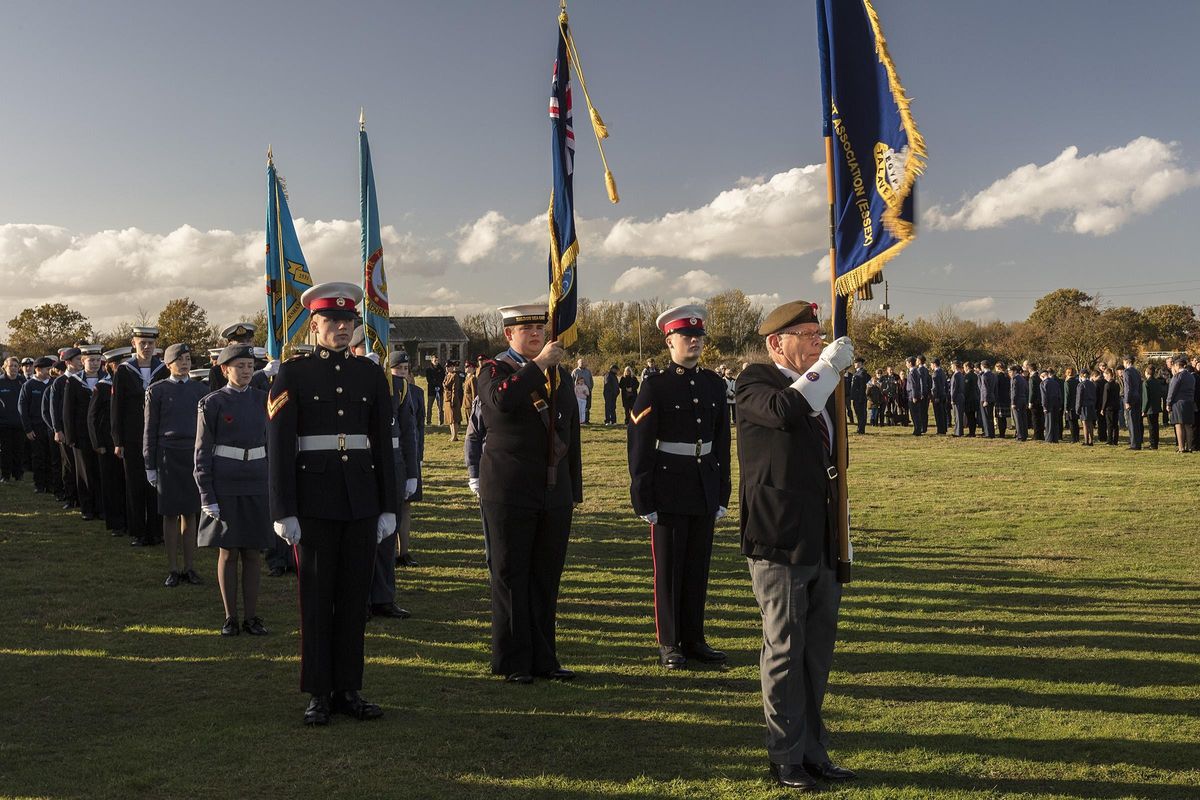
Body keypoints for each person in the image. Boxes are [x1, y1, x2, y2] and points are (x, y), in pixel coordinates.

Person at [734, 300, 856, 792]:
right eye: (805, 334)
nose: (816, 340)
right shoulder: (755, 382)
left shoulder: (823, 390)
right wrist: (827, 367)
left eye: (817, 333)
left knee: (816, 653)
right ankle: (784, 756)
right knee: (785, 650)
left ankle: (812, 750)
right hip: (779, 537)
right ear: (775, 344)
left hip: (822, 537)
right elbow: (785, 411)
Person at [268, 281, 396, 726]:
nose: (342, 328)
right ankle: (318, 693)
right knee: (317, 598)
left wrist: (388, 506)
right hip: (314, 502)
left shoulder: (370, 374)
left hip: (361, 500)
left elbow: (383, 445)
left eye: (348, 321)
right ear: (314, 325)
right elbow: (280, 444)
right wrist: (283, 509)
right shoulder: (294, 374)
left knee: (354, 596)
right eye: (332, 322)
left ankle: (349, 688)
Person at [476, 303, 582, 684]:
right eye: (528, 329)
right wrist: (538, 365)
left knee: (544, 577)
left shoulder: (560, 375)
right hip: (507, 490)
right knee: (510, 575)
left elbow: (569, 431)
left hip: (553, 492)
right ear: (509, 335)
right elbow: (503, 400)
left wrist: (573, 488)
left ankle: (544, 658)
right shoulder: (492, 370)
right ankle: (512, 659)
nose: (536, 334)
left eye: (540, 327)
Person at [627, 305, 732, 670]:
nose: (694, 342)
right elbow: (639, 445)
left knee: (697, 568)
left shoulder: (714, 385)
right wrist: (643, 497)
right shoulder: (655, 386)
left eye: (699, 336)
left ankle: (694, 638)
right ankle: (670, 642)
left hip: (703, 484)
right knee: (669, 570)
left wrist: (723, 492)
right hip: (668, 486)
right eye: (687, 336)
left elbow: (722, 442)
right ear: (669, 341)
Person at [194, 344, 273, 636]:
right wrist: (207, 494)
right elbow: (202, 452)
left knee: (253, 552)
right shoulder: (212, 402)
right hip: (225, 483)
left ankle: (252, 617)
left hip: (256, 480)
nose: (246, 371)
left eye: (250, 367)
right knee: (228, 551)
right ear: (225, 369)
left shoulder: (264, 400)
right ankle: (230, 617)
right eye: (239, 366)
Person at [145, 343, 208, 587]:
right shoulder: (157, 390)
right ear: (169, 364)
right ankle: (172, 568)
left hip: (192, 454)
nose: (184, 363)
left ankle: (189, 567)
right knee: (170, 513)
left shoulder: (201, 389)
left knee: (191, 513)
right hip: (168, 456)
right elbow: (149, 430)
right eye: (179, 359)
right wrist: (150, 464)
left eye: (188, 358)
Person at [367, 350, 417, 621]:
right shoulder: (352, 380)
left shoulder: (398, 385)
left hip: (393, 466)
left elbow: (408, 431)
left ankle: (384, 597)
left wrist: (411, 473)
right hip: (361, 464)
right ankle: (361, 597)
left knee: (387, 535)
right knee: (362, 537)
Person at [112, 326, 168, 546]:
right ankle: (137, 531)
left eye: (150, 344)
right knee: (134, 485)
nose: (146, 347)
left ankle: (156, 531)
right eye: (142, 343)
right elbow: (116, 408)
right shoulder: (124, 371)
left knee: (156, 485)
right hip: (132, 438)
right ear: (133, 343)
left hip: (157, 437)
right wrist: (118, 440)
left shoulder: (162, 370)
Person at [88, 347, 129, 536]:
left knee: (126, 483)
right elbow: (93, 417)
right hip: (106, 443)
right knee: (111, 484)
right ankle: (116, 523)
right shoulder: (102, 386)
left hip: (126, 442)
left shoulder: (129, 384)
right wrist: (98, 444)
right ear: (111, 366)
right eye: (119, 365)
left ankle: (130, 520)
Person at [62, 344, 105, 521]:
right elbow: (68, 411)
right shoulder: (74, 381)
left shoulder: (107, 379)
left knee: (101, 472)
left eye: (97, 360)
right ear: (83, 361)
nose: (94, 364)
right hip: (81, 435)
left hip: (102, 435)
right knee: (84, 473)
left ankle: (102, 507)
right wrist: (70, 436)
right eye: (90, 360)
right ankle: (87, 508)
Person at [393, 353, 425, 569]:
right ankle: (391, 551)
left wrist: (419, 457)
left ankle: (404, 551)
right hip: (395, 454)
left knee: (406, 506)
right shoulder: (389, 390)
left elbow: (419, 428)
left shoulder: (416, 392)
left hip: (410, 456)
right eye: (399, 368)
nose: (403, 372)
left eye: (406, 368)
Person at [18, 357, 55, 494]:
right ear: (38, 369)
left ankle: (51, 484)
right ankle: (39, 484)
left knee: (51, 456)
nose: (49, 372)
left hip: (51, 427)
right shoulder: (29, 386)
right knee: (38, 456)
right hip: (36, 428)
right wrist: (28, 429)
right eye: (47, 369)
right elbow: (22, 408)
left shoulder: (53, 383)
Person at [206, 322, 257, 391]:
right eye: (240, 342)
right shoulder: (218, 371)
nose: (245, 344)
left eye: (248, 341)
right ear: (230, 345)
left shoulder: (262, 366)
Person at [0, 357, 25, 484]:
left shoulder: (22, 381)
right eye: (11, 366)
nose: (14, 368)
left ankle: (18, 474)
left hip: (20, 423)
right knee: (6, 451)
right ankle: (5, 475)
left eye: (16, 366)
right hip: (4, 424)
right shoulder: (0, 381)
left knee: (19, 450)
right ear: (5, 367)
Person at [1166, 355, 1195, 453]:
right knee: (1188, 426)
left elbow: (1172, 391)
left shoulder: (1178, 376)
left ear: (1177, 366)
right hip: (1189, 402)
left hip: (1179, 403)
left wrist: (1168, 403)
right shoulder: (1191, 376)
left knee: (1178, 425)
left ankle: (1181, 447)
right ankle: (1190, 447)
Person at [1121, 356, 1144, 450]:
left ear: (1126, 361)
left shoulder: (1127, 372)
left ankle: (1134, 444)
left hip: (1131, 399)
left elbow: (1127, 388)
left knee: (1131, 422)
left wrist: (1127, 401)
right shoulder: (1137, 372)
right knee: (1137, 422)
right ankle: (1137, 442)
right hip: (1138, 398)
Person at [1143, 365, 1166, 450]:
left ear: (1147, 373)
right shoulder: (1157, 382)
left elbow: (1146, 398)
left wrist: (1143, 409)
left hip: (1150, 408)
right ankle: (1155, 442)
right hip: (1156, 406)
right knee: (1156, 426)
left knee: (1151, 427)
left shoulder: (1146, 383)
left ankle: (1152, 444)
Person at [443, 361, 465, 442]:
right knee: (449, 419)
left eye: (448, 366)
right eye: (446, 367)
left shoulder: (455, 375)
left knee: (454, 419)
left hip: (452, 399)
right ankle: (452, 435)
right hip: (446, 399)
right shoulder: (447, 375)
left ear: (452, 367)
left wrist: (453, 400)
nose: (447, 368)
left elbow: (454, 389)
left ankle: (455, 436)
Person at [1100, 366, 1121, 446]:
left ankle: (1109, 440)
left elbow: (1105, 398)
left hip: (1109, 407)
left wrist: (1102, 408)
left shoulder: (1107, 385)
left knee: (1109, 424)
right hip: (1116, 406)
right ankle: (1115, 440)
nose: (1104, 377)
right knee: (1115, 424)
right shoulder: (1116, 384)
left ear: (1108, 374)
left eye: (1105, 375)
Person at [1041, 367, 1064, 443]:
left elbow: (1044, 396)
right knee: (1055, 422)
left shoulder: (1043, 383)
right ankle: (1055, 438)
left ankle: (1049, 438)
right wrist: (1060, 404)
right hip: (1056, 404)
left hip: (1049, 405)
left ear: (1042, 376)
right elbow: (1059, 394)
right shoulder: (1055, 382)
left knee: (1048, 422)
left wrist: (1044, 407)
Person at [1076, 369, 1097, 446]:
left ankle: (1086, 441)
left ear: (1081, 376)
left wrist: (1077, 408)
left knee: (1085, 424)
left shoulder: (1081, 385)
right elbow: (1095, 396)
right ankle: (1091, 440)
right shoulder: (1092, 384)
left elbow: (1079, 398)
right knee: (1090, 423)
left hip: (1084, 405)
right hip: (1091, 405)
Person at [570, 358, 594, 424]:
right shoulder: (575, 371)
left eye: (584, 362)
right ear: (578, 363)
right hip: (578, 393)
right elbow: (571, 381)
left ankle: (586, 420)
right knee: (578, 407)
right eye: (581, 363)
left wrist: (590, 388)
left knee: (588, 406)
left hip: (587, 392)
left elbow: (591, 381)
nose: (583, 364)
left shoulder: (588, 371)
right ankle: (578, 420)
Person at [1009, 364, 1029, 441]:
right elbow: (1027, 390)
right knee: (1023, 418)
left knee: (1018, 419)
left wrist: (1013, 403)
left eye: (1010, 372)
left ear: (1014, 371)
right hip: (1023, 400)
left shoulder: (1014, 379)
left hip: (1017, 401)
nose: (1009, 373)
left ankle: (1020, 435)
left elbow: (1014, 392)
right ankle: (1025, 434)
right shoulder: (1022, 378)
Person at [424, 354, 445, 425]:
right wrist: (434, 384)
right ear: (432, 360)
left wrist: (439, 385)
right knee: (429, 406)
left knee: (440, 407)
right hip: (431, 390)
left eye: (437, 360)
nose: (436, 362)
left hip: (440, 390)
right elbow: (428, 379)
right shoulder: (428, 369)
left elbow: (442, 378)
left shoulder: (441, 369)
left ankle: (441, 421)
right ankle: (428, 421)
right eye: (435, 360)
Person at [977, 359, 996, 438]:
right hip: (992, 397)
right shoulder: (993, 374)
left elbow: (985, 389)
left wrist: (985, 400)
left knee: (986, 417)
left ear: (983, 366)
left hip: (986, 398)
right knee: (990, 416)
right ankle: (991, 432)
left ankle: (988, 433)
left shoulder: (984, 376)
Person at [849, 358, 868, 434]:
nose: (854, 364)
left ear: (860, 363)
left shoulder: (862, 373)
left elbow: (862, 387)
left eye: (856, 363)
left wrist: (860, 398)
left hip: (860, 397)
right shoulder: (857, 372)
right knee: (858, 413)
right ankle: (859, 428)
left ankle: (861, 430)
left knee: (861, 414)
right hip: (856, 397)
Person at [930, 358, 949, 435]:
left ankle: (940, 430)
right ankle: (944, 429)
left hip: (938, 396)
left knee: (938, 414)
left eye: (931, 364)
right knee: (943, 413)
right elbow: (946, 385)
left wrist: (936, 396)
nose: (930, 366)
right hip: (943, 395)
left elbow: (935, 387)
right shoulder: (942, 372)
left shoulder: (935, 373)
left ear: (934, 364)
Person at [993, 361, 1011, 439]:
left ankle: (1001, 434)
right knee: (1004, 418)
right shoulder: (1008, 376)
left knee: (1000, 417)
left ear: (998, 367)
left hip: (999, 399)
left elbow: (996, 387)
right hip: (1006, 398)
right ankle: (1003, 433)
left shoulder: (998, 376)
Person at [1063, 367, 1080, 443]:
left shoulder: (1067, 383)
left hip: (1070, 405)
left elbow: (1067, 395)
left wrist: (1066, 407)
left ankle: (1073, 438)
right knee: (1076, 422)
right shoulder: (1077, 382)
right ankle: (1077, 437)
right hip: (1076, 403)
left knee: (1071, 422)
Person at [963, 361, 979, 437]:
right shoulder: (975, 375)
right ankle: (973, 431)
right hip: (975, 397)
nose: (963, 369)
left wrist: (964, 397)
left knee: (970, 416)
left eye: (964, 367)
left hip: (969, 399)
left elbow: (966, 388)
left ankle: (972, 432)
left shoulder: (968, 376)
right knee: (972, 416)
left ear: (967, 367)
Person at [950, 361, 966, 436]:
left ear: (955, 366)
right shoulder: (961, 375)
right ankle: (958, 431)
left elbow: (954, 388)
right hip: (961, 396)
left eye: (952, 366)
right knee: (958, 415)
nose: (951, 367)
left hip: (957, 397)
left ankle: (958, 432)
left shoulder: (956, 375)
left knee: (957, 415)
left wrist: (952, 399)